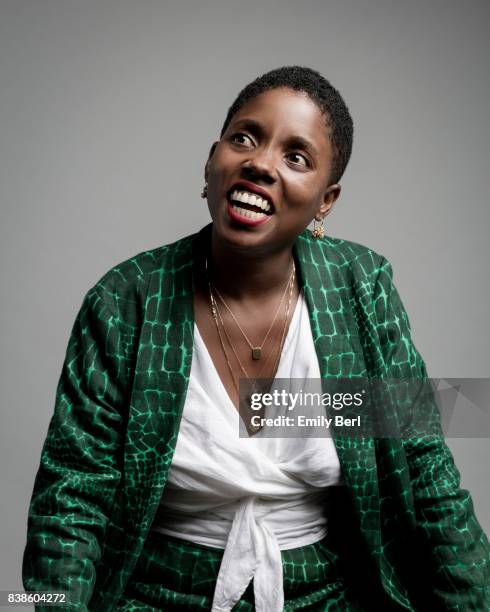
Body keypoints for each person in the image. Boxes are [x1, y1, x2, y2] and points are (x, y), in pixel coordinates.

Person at [23, 66, 489, 611]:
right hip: (153, 594)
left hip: (333, 594)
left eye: (296, 157)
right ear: (211, 160)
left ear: (326, 201)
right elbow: (72, 497)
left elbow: (423, 465)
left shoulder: (361, 288)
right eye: (244, 137)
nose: (261, 163)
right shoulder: (126, 300)